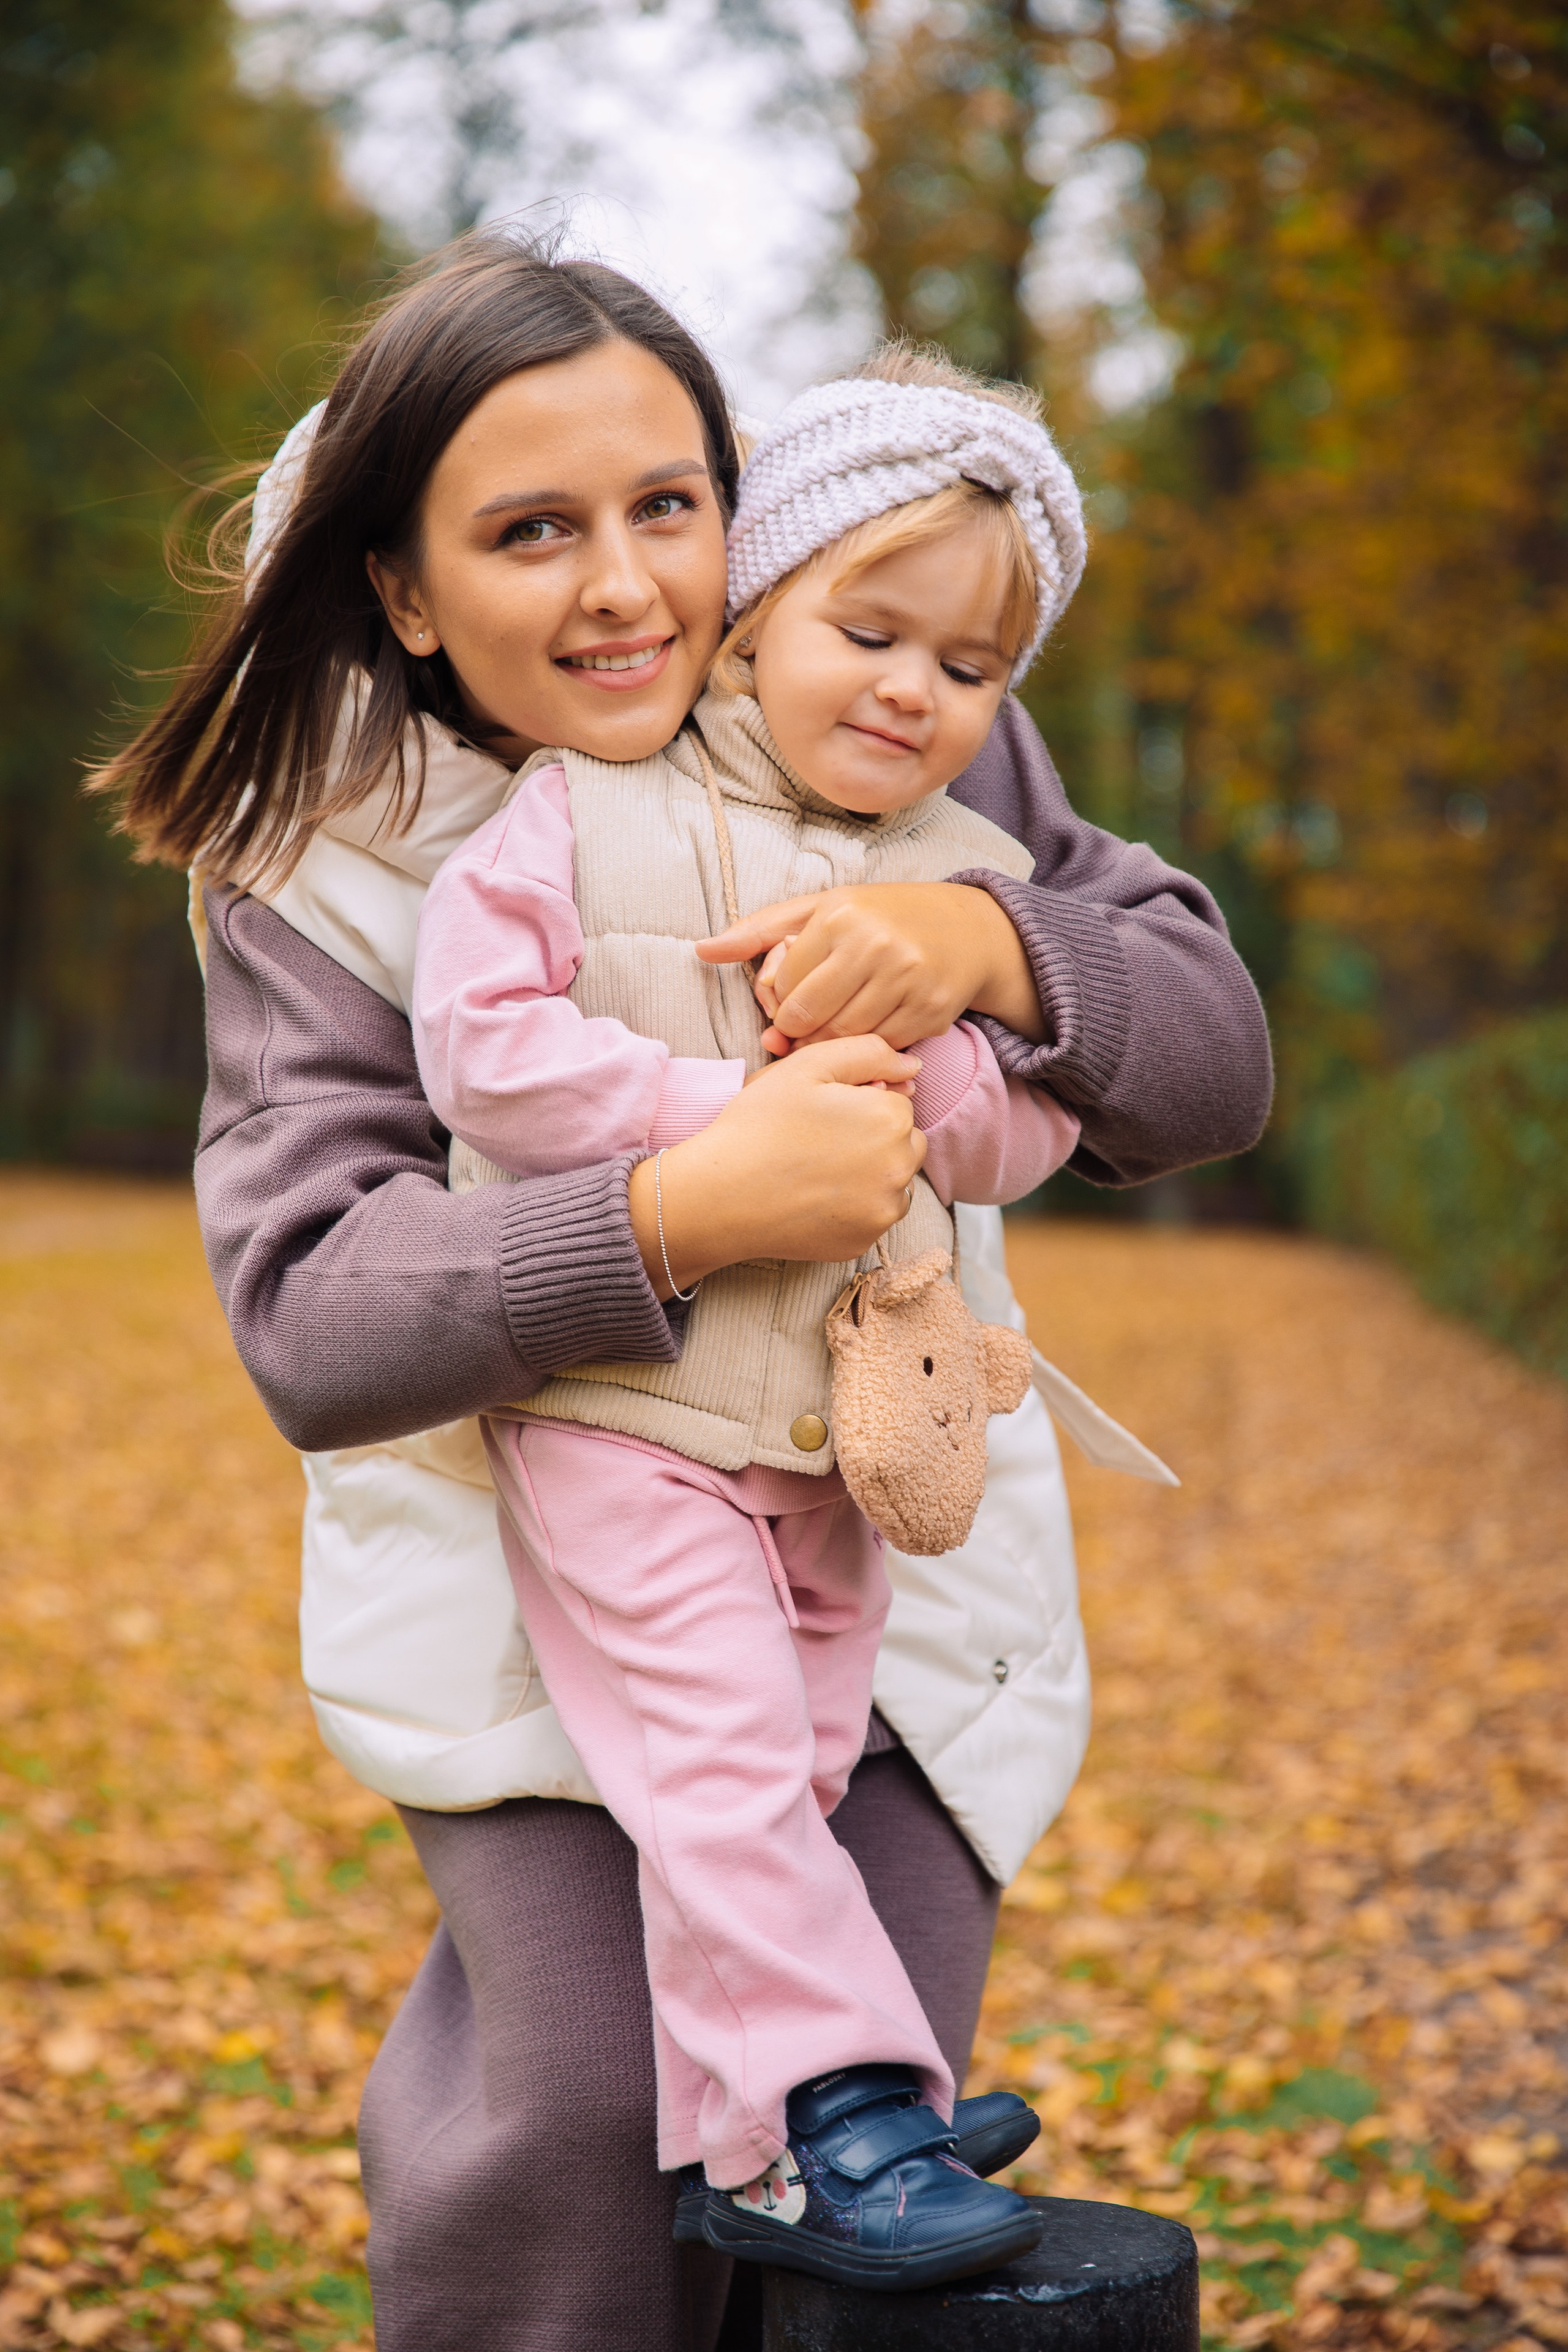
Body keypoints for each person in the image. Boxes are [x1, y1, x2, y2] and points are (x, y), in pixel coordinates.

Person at [94, 227, 1273, 2351]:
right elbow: (312, 1311)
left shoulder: (892, 727)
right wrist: (683, 1204)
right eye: (531, 531)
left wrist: (988, 954)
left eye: (672, 506)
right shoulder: (333, 852)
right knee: (575, 2143)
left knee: (864, 2199)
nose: (631, 584)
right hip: (553, 1578)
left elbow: (1210, 1055)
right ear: (402, 582)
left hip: (889, 1566)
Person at [409, 341, 1090, 2291]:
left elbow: (1022, 1131)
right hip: (627, 1410)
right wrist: (735, 1121)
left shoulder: (963, 873)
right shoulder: (581, 812)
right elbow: (486, 1051)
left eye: (969, 672)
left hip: (839, 1433)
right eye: (869, 630)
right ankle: (842, 2107)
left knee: (792, 1763)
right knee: (714, 1774)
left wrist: (937, 1067)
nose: (913, 690)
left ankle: (746, 2136)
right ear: (751, 618)